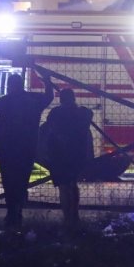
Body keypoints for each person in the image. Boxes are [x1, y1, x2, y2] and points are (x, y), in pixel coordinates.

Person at [0, 66, 53, 229]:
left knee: (8, 179)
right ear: (22, 84)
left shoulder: (4, 101)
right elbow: (49, 97)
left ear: (10, 86)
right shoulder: (32, 100)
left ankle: (12, 212)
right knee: (22, 178)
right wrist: (47, 80)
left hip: (7, 147)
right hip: (27, 145)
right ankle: (17, 210)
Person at [42, 87, 95, 228]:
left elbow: (50, 131)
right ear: (74, 98)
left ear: (61, 99)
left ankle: (67, 218)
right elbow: (88, 115)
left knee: (64, 187)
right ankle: (75, 216)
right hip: (76, 155)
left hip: (59, 155)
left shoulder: (55, 114)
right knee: (73, 184)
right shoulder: (82, 114)